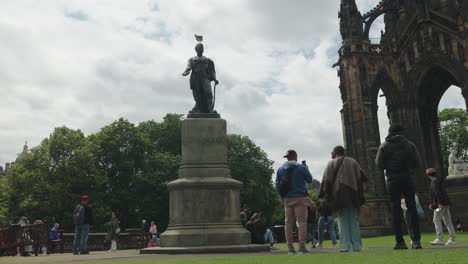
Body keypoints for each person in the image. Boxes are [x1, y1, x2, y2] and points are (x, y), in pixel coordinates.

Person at [376, 124, 422, 250]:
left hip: (392, 179)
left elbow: (379, 165)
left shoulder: (384, 146)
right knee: (412, 208)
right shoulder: (409, 144)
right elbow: (417, 163)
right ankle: (416, 241)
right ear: (400, 132)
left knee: (396, 209)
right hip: (407, 178)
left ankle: (400, 242)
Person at [320, 146, 366, 252]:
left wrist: (325, 196)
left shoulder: (331, 163)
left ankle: (345, 246)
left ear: (335, 153)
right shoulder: (353, 162)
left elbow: (326, 182)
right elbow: (363, 178)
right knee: (354, 221)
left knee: (343, 220)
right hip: (353, 195)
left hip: (338, 196)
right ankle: (357, 246)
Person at [275, 149, 313, 254]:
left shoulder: (280, 169)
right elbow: (309, 179)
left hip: (287, 198)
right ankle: (301, 247)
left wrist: (283, 196)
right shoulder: (301, 167)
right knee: (301, 222)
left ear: (287, 157)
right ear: (296, 156)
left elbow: (277, 186)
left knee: (288, 223)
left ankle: (290, 248)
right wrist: (306, 169)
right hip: (300, 197)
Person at [182, 42, 219, 114]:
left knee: (208, 93)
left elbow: (212, 70)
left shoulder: (208, 60)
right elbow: (188, 67)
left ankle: (210, 109)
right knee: (197, 95)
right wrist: (185, 72)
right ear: (196, 50)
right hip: (195, 79)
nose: (201, 49)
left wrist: (214, 79)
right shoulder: (192, 59)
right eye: (199, 48)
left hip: (205, 78)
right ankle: (197, 108)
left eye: (202, 48)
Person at [426, 168, 456, 245]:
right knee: (448, 221)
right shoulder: (438, 180)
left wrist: (438, 203)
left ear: (428, 175)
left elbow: (436, 193)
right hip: (445, 203)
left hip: (440, 204)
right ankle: (452, 239)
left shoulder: (434, 181)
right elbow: (439, 192)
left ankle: (440, 238)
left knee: (436, 220)